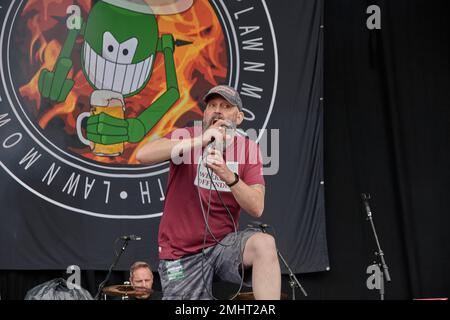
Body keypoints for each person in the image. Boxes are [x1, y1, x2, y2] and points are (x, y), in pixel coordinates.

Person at [136, 85, 281, 300]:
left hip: (222, 246)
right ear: (204, 114)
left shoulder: (248, 149)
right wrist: (201, 140)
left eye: (225, 106)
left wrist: (228, 175)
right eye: (212, 105)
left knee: (264, 243)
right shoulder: (186, 136)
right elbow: (143, 154)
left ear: (239, 117)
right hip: (181, 253)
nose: (217, 110)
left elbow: (257, 206)